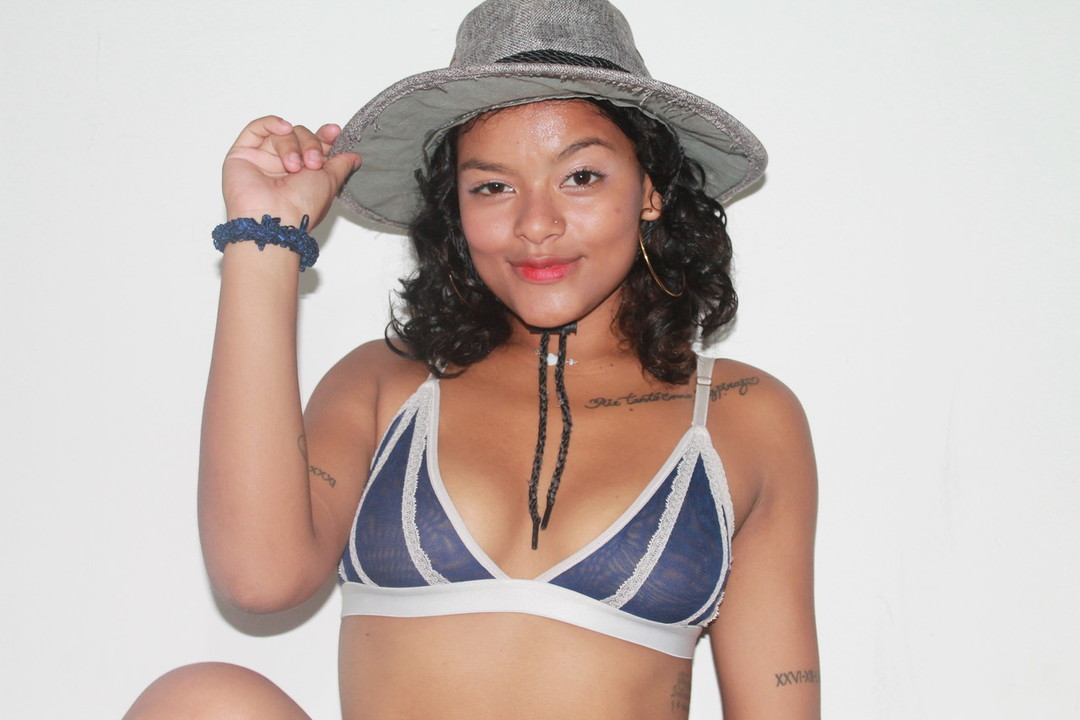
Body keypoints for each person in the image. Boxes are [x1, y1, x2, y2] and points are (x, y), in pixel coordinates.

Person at [125, 1, 819, 718]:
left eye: (580, 176)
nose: (536, 224)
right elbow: (259, 577)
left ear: (649, 189)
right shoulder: (386, 383)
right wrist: (263, 241)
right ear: (454, 207)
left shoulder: (743, 416)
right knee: (201, 702)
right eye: (492, 186)